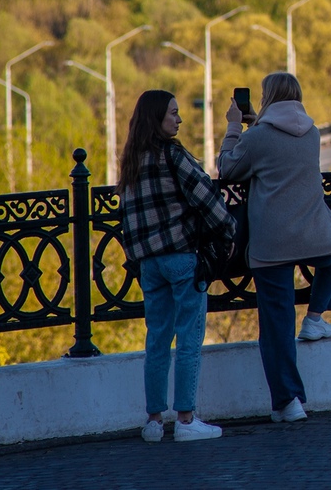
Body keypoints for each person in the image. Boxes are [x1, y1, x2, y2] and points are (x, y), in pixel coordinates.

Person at [218, 72, 331, 424]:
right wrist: (256, 124)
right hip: (314, 235)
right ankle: (315, 317)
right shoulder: (312, 133)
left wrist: (235, 126)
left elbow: (227, 169)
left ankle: (288, 403)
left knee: (277, 325)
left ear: (267, 96)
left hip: (271, 245)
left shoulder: (258, 137)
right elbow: (279, 140)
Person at [118, 89, 236, 443]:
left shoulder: (130, 161)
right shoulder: (172, 154)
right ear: (158, 118)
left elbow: (126, 218)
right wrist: (229, 231)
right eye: (173, 113)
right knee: (188, 337)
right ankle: (186, 419)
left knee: (157, 339)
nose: (179, 119)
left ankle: (154, 421)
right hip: (182, 258)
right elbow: (206, 197)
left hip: (148, 264)